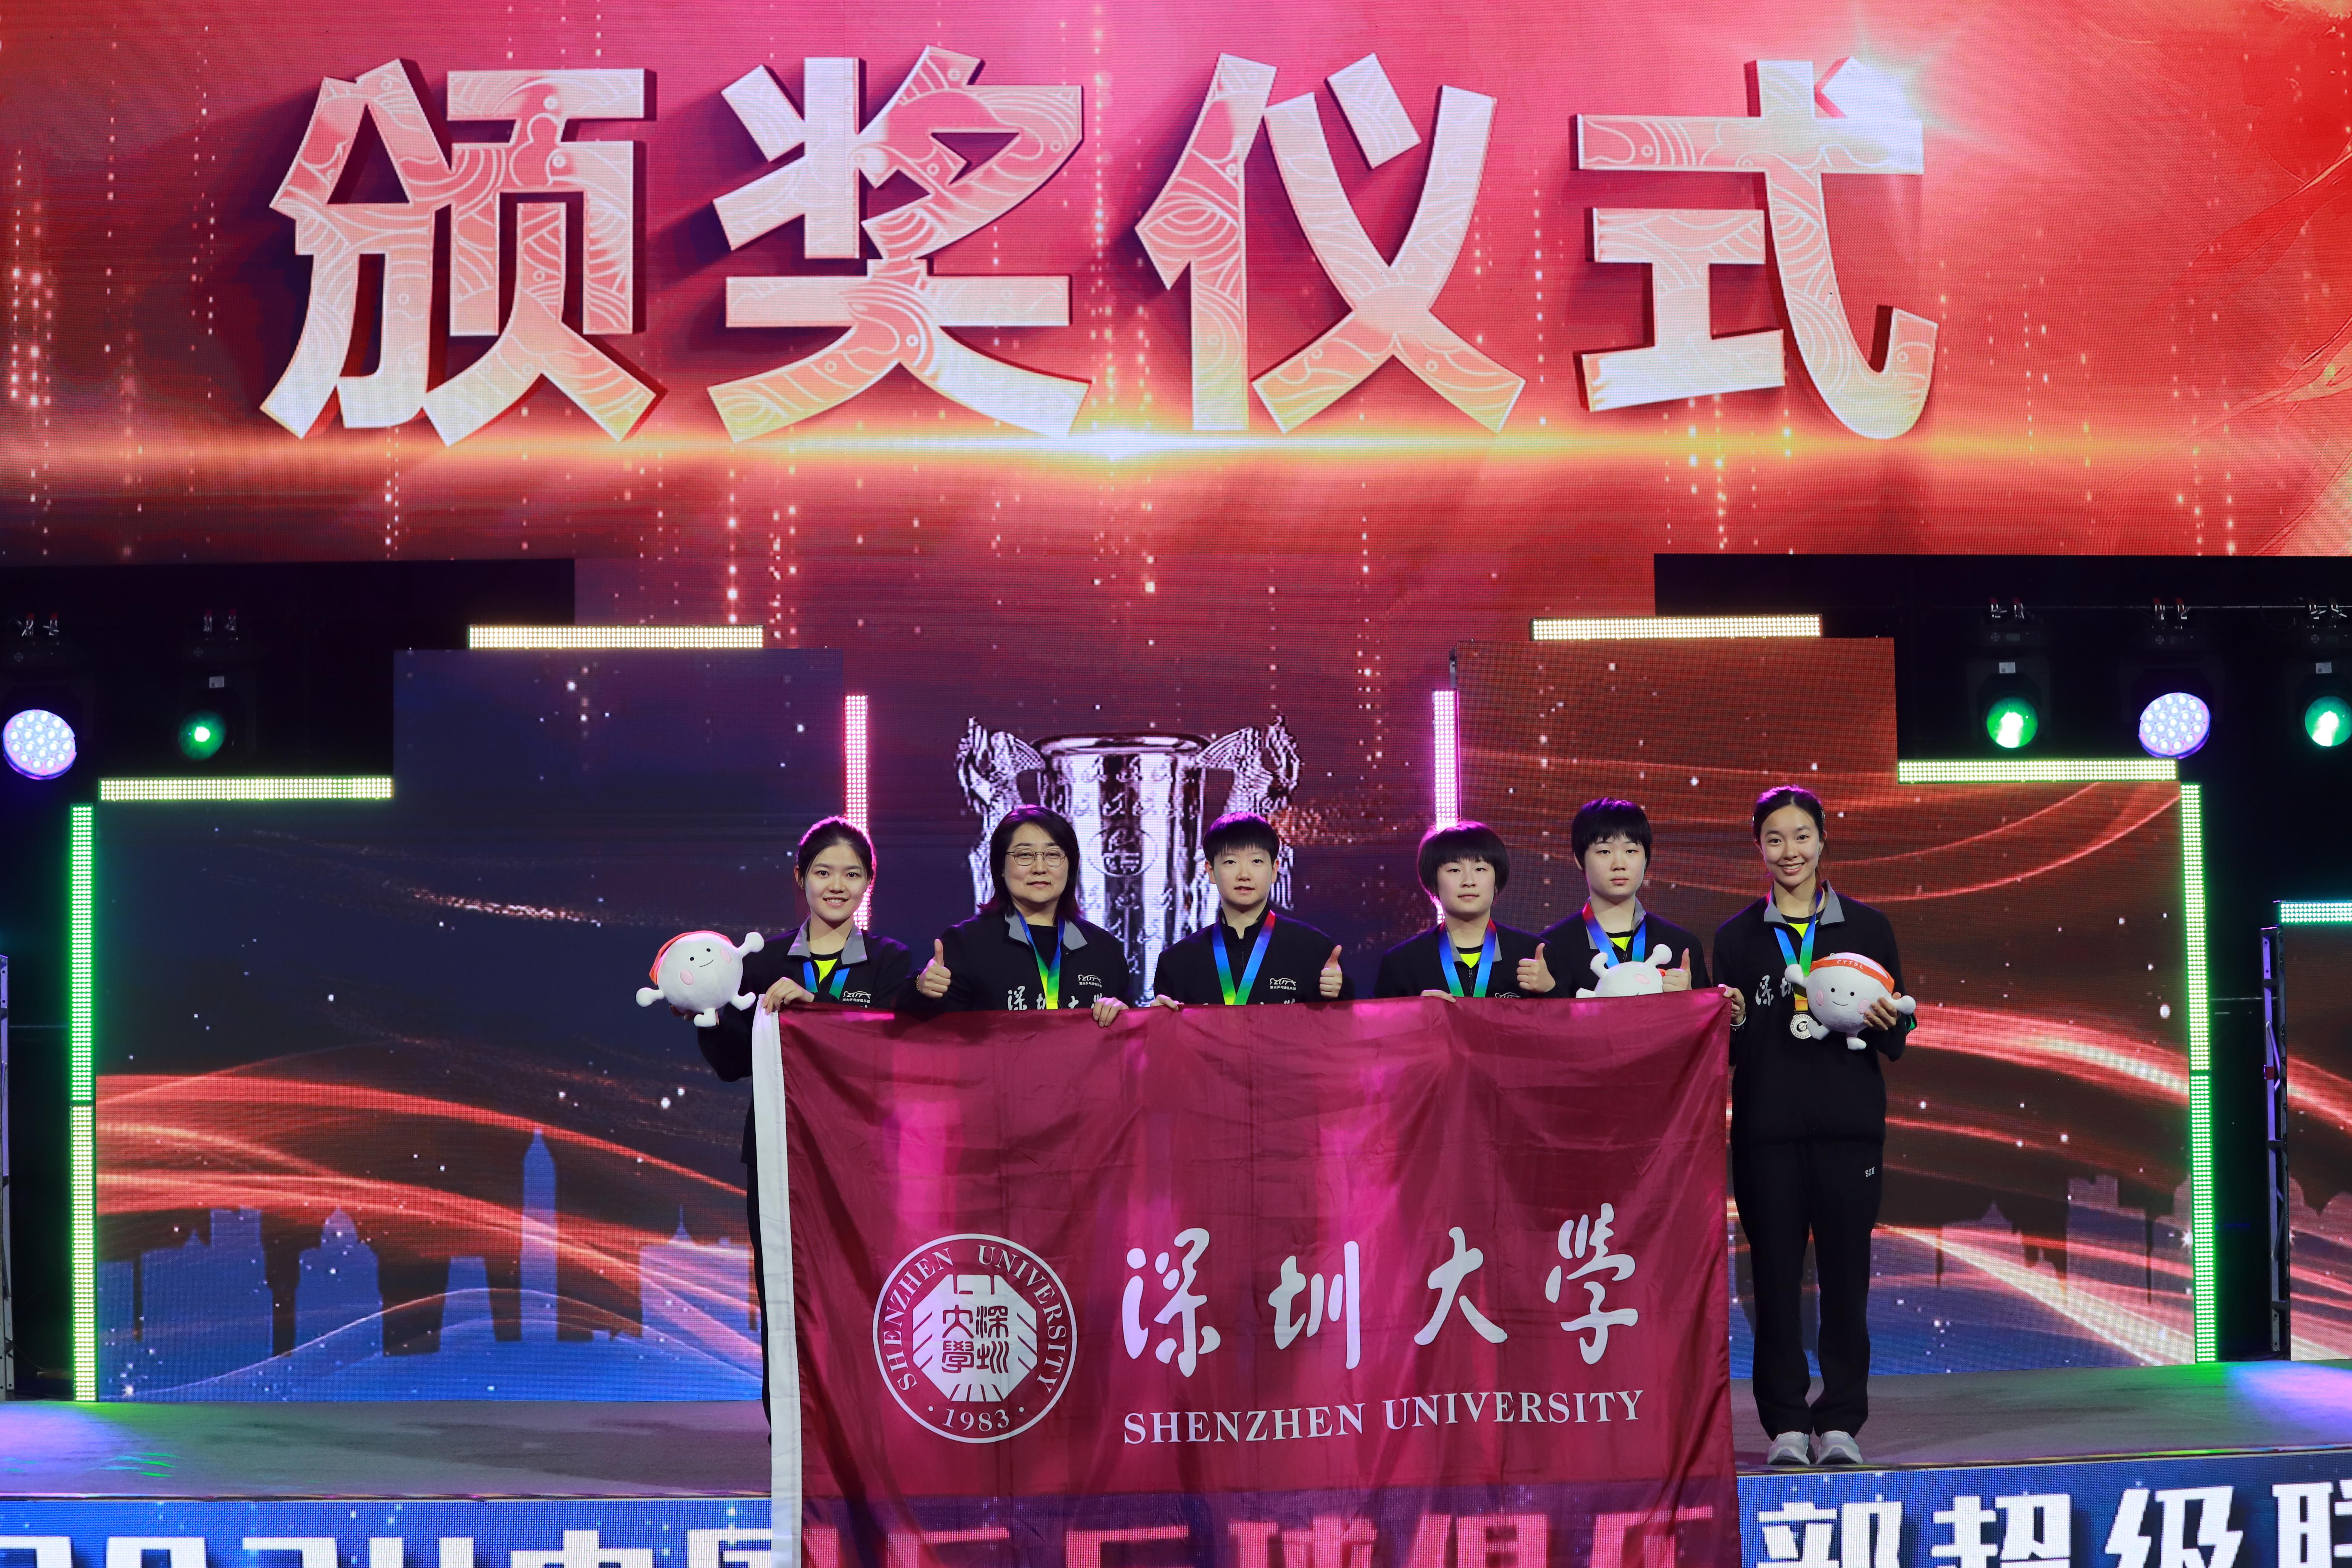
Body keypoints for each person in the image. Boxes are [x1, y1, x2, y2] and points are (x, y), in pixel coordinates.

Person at [1710, 785, 1911, 1470]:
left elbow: (1897, 1035)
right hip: (1766, 1135)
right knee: (1773, 1284)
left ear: (1824, 841)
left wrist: (1886, 1022)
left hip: (1850, 1132)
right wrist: (1734, 1019)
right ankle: (1788, 1426)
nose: (1789, 851)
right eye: (1775, 839)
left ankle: (1842, 1421)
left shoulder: (1869, 929)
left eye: (1801, 836)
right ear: (1759, 848)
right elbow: (1729, 1049)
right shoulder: (1736, 937)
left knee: (1847, 1281)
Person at [691, 816, 911, 1422]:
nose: (837, 886)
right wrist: (707, 1013)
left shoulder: (890, 963)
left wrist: (818, 1006)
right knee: (785, 1295)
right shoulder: (762, 963)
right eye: (823, 873)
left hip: (863, 1157)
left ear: (869, 882)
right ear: (800, 878)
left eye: (852, 874)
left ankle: (866, 1429)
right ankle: (790, 1435)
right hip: (778, 1156)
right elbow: (732, 1065)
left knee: (864, 1289)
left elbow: (890, 1053)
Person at [910, 804, 1132, 1024]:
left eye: (1053, 855)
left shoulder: (1104, 949)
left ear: (1070, 867)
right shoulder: (967, 943)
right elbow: (924, 1026)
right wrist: (921, 987)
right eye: (1025, 855)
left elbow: (1130, 1037)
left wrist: (1125, 1018)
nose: (1040, 868)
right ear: (1001, 867)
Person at [1149, 811, 1351, 1006]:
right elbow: (1168, 1029)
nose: (1244, 875)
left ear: (1274, 870)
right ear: (1211, 872)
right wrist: (1160, 1019)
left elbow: (1342, 1025)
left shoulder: (1314, 950)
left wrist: (1337, 996)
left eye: (1256, 861)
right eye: (1231, 862)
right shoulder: (1177, 962)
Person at [1537, 796, 1711, 993]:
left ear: (1646, 858)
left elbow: (1710, 1012)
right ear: (1579, 859)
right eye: (1605, 852)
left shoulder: (1682, 945)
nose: (1619, 865)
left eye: (1631, 851)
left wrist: (1690, 999)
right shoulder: (1552, 949)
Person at [1374, 821, 1554, 999]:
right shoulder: (1401, 964)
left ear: (1496, 881)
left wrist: (1551, 990)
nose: (1469, 881)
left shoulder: (1535, 955)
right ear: (1434, 883)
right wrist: (1417, 1012)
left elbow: (1566, 1016)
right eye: (1454, 870)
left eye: (1480, 869)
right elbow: (1378, 1018)